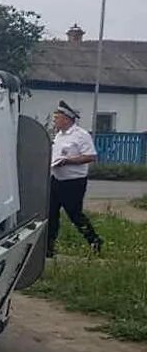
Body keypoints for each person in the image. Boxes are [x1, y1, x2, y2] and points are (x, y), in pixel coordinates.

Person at [47, 100, 102, 257]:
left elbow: (91, 156)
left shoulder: (81, 135)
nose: (55, 120)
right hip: (56, 179)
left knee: (74, 214)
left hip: (73, 182)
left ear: (66, 119)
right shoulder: (59, 135)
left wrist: (68, 161)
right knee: (51, 213)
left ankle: (94, 241)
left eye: (57, 117)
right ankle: (48, 247)